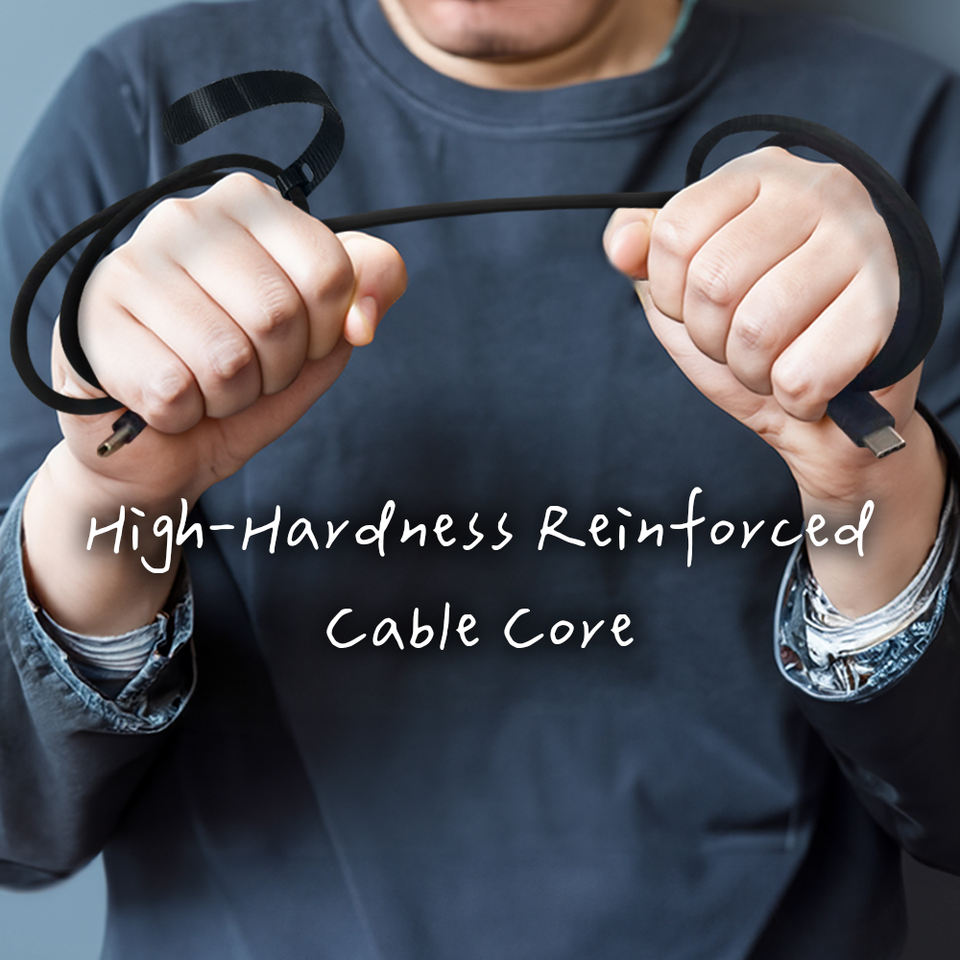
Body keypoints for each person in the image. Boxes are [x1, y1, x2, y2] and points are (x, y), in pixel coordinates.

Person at [1, 0, 959, 956]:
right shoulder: (140, 109)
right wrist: (115, 502)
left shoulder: (910, 137)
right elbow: (16, 825)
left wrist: (869, 486)